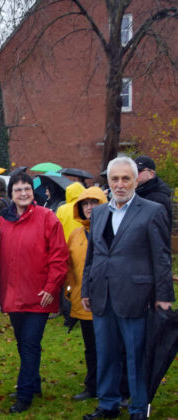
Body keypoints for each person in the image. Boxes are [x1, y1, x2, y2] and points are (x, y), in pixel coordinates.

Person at [81, 157, 174, 420]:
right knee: (106, 353)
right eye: (115, 179)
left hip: (137, 296)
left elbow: (162, 257)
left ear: (135, 180)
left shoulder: (152, 211)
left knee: (136, 355)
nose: (120, 184)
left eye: (125, 179)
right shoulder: (99, 212)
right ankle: (108, 404)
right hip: (102, 295)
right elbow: (93, 254)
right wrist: (86, 288)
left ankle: (137, 408)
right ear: (108, 182)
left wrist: (164, 296)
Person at [0, 172, 69, 413]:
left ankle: (24, 394)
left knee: (29, 343)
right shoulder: (3, 222)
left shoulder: (47, 218)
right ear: (11, 194)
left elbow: (59, 256)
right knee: (23, 344)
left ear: (32, 191)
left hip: (39, 295)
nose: (23, 193)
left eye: (26, 188)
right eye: (17, 190)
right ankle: (34, 382)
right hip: (14, 294)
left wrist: (51, 287)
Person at [64, 186, 108, 402]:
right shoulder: (75, 235)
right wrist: (70, 291)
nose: (89, 207)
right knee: (91, 347)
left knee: (112, 346)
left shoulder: (113, 230)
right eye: (85, 203)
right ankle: (92, 386)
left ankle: (116, 387)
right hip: (84, 301)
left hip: (110, 300)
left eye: (94, 202)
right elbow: (70, 268)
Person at [134, 155, 173, 228]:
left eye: (139, 171)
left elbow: (161, 230)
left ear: (151, 174)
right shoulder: (137, 192)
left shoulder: (158, 198)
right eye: (133, 171)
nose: (135, 175)